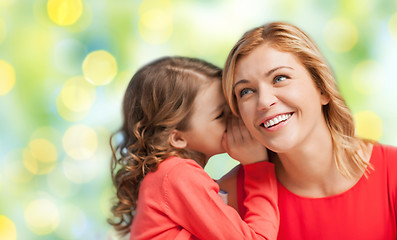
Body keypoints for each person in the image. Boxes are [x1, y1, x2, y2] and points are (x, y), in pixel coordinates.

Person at [220, 21, 397, 239]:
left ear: (322, 87)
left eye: (279, 78)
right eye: (246, 91)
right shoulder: (229, 195)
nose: (264, 102)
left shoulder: (392, 172)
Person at [108, 56, 279, 240]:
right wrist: (258, 167)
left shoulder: (166, 176)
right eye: (221, 114)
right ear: (177, 137)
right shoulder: (177, 174)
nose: (235, 117)